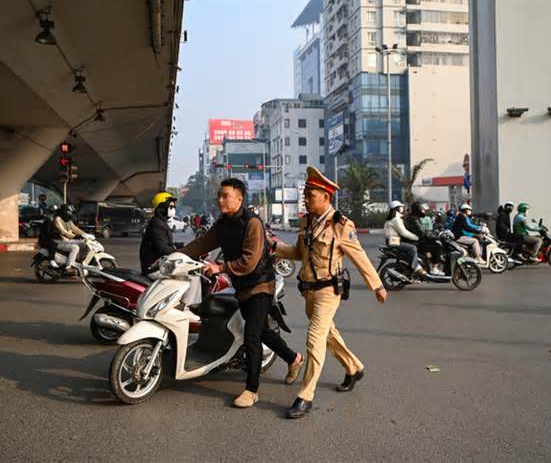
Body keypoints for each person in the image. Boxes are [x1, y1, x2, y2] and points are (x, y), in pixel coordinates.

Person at [273, 167, 387, 419]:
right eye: (305, 193)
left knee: (314, 339)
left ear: (326, 197)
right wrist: (275, 248)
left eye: (310, 194)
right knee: (328, 335)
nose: (305, 198)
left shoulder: (341, 225)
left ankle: (305, 396)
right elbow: (298, 253)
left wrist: (376, 285)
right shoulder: (307, 222)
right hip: (308, 292)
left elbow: (359, 256)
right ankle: (354, 367)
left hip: (328, 292)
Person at [180, 178, 303, 409]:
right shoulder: (223, 223)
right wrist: (177, 255)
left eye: (225, 196)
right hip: (243, 287)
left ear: (239, 198)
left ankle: (251, 390)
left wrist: (221, 268)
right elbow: (204, 242)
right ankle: (294, 358)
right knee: (264, 333)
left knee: (252, 337)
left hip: (261, 286)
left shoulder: (252, 223)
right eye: (219, 195)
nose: (220, 200)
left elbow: (249, 261)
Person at [140, 192, 179, 274]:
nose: (173, 209)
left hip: (160, 264)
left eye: (174, 207)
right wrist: (181, 253)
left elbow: (166, 242)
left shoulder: (160, 222)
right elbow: (162, 248)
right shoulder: (157, 224)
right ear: (162, 207)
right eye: (171, 207)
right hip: (154, 268)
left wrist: (182, 246)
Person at [384, 201, 424, 274]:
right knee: (412, 248)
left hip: (391, 240)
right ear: (397, 209)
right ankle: (415, 267)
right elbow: (404, 232)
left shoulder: (392, 219)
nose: (402, 208)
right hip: (394, 241)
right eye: (401, 207)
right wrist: (416, 238)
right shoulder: (396, 220)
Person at [405, 202, 444, 275]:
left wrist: (433, 233)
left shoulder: (414, 218)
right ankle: (434, 269)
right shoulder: (414, 219)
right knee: (437, 246)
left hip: (415, 241)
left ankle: (428, 264)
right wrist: (435, 236)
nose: (424, 212)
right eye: (423, 210)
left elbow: (422, 230)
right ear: (418, 210)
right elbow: (422, 233)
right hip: (415, 242)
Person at [53, 204, 87, 274]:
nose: (71, 215)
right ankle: (68, 267)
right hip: (59, 242)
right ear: (65, 212)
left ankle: (77, 262)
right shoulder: (57, 219)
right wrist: (74, 236)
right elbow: (63, 232)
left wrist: (86, 234)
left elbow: (76, 229)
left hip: (67, 241)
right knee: (75, 247)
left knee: (84, 243)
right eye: (70, 212)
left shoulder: (68, 221)